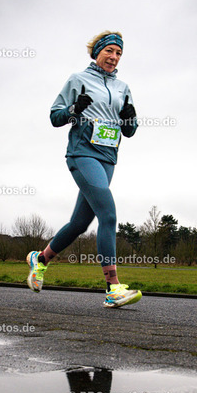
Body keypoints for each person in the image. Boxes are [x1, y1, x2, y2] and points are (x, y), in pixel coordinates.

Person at [26, 30, 142, 308]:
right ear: (97, 52)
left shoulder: (123, 87)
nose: (114, 57)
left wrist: (130, 119)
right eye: (109, 51)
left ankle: (40, 259)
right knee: (108, 214)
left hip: (108, 158)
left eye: (119, 53)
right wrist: (74, 109)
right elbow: (55, 117)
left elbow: (130, 131)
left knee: (80, 223)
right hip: (82, 153)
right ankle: (113, 288)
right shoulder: (78, 80)